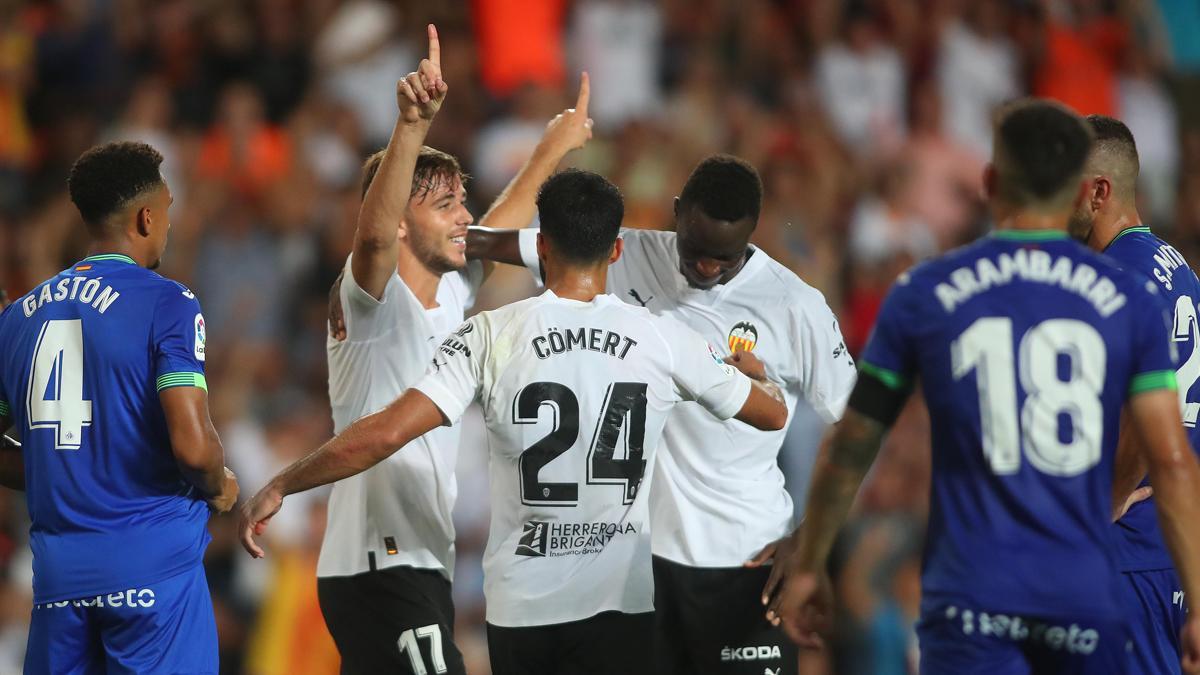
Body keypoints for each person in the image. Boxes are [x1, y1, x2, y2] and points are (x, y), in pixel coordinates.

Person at [239, 169, 790, 675]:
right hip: (617, 605)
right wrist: (760, 377)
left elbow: (385, 432)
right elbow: (771, 414)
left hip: (522, 611)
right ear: (618, 249)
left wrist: (285, 482)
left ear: (542, 245)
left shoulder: (489, 335)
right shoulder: (664, 338)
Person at [761, 100, 1200, 674]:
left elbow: (856, 440)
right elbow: (1170, 457)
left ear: (992, 184)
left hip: (1030, 566)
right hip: (1120, 559)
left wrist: (810, 549)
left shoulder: (933, 290)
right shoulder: (1158, 275)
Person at [312, 25, 594, 675]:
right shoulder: (368, 302)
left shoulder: (448, 297)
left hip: (418, 561)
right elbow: (376, 240)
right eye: (445, 204)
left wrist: (552, 147)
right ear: (401, 220)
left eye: (461, 200)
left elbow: (503, 220)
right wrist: (410, 126)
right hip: (378, 563)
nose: (464, 216)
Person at [509, 154, 857, 675]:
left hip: (747, 564)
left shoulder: (794, 305)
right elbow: (498, 242)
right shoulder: (621, 254)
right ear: (676, 214)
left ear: (752, 235)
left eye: (726, 257)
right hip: (638, 566)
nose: (708, 268)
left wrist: (811, 539)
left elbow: (859, 431)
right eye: (696, 253)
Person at [0, 141, 238, 673]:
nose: (171, 225)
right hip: (153, 574)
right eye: (170, 210)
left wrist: (52, 470)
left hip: (59, 582)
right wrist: (221, 484)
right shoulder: (168, 302)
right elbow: (194, 450)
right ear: (146, 217)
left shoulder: (16, 320)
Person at [1069, 114, 1200, 675]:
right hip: (1172, 550)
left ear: (1098, 192)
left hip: (1128, 553)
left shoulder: (1114, 278)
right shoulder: (1177, 268)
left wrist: (1102, 507)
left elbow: (1147, 419)